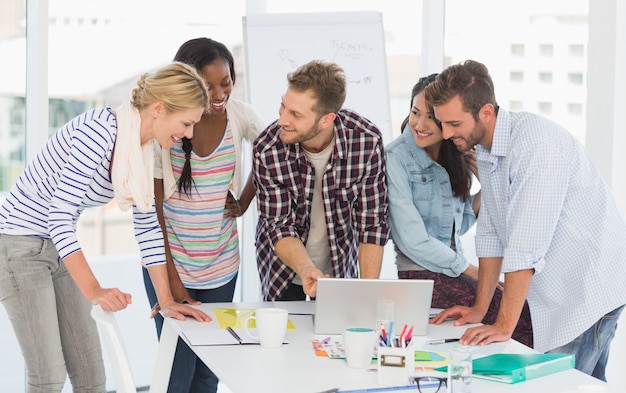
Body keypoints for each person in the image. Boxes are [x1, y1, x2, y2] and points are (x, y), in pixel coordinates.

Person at [0, 62, 212, 393]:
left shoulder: (141, 148)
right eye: (186, 123)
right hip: (17, 245)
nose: (188, 133)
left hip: (56, 247)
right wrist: (95, 290)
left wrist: (167, 300)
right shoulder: (99, 131)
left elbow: (147, 226)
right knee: (48, 376)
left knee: (91, 374)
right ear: (158, 108)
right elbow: (59, 215)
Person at [427, 60, 626, 380]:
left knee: (559, 385)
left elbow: (524, 246)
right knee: (585, 385)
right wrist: (480, 310)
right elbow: (491, 231)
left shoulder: (535, 146)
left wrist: (503, 326)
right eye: (442, 123)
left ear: (486, 113)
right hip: (563, 289)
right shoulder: (489, 149)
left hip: (588, 288)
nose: (446, 133)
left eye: (454, 123)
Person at [142, 38, 265, 393]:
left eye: (224, 81)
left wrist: (243, 202)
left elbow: (272, 152)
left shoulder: (240, 115)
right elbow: (153, 214)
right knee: (176, 373)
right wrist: (174, 282)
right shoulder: (169, 127)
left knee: (209, 372)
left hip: (221, 267)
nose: (218, 92)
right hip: (169, 265)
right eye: (207, 84)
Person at [385, 74, 533, 348]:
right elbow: (411, 239)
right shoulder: (395, 159)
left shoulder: (454, 151)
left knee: (527, 311)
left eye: (432, 117)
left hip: (454, 270)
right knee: (521, 319)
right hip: (422, 276)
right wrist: (469, 269)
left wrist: (486, 183)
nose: (420, 124)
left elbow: (460, 224)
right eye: (415, 113)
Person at [252, 60, 390, 301]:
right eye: (283, 106)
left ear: (327, 120)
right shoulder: (267, 149)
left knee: (335, 335)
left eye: (295, 114)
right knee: (284, 336)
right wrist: (306, 270)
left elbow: (371, 225)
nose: (282, 119)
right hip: (282, 270)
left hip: (338, 269)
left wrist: (368, 295)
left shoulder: (366, 141)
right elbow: (278, 226)